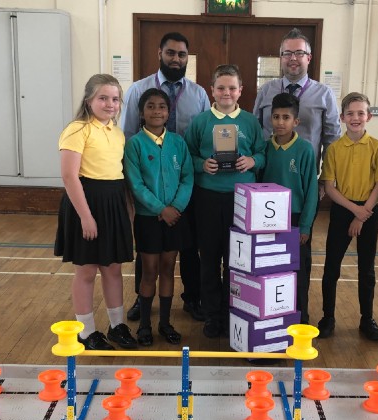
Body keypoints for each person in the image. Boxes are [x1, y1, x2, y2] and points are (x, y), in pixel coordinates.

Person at [120, 32, 209, 324]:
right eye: (170, 53)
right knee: (146, 256)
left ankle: (192, 298)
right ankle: (141, 301)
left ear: (187, 58)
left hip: (185, 186)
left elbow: (205, 138)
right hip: (148, 187)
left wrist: (178, 204)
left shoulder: (198, 94)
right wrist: (155, 204)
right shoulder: (138, 89)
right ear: (160, 53)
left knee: (187, 248)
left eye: (182, 54)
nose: (176, 59)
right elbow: (129, 135)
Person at [54, 74, 137, 351]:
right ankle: (86, 332)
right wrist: (86, 216)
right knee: (87, 270)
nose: (110, 104)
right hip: (86, 203)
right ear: (89, 100)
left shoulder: (117, 132)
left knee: (113, 268)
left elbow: (118, 174)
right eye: (103, 98)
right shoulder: (77, 130)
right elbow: (69, 176)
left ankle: (116, 326)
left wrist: (127, 208)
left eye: (115, 99)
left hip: (113, 203)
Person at [184, 64, 266, 338]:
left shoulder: (250, 122)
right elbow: (189, 156)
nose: (226, 92)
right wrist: (201, 164)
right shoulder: (201, 122)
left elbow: (263, 153)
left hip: (242, 199)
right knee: (209, 258)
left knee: (237, 261)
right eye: (221, 87)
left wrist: (252, 160)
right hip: (207, 198)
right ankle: (212, 315)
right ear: (212, 91)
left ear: (241, 91)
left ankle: (235, 311)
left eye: (232, 88)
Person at [124, 88, 194, 346]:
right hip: (148, 219)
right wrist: (159, 209)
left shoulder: (178, 142)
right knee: (149, 271)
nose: (157, 111)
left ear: (168, 112)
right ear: (142, 113)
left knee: (168, 269)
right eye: (151, 106)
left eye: (162, 106)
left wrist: (175, 207)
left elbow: (188, 177)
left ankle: (164, 324)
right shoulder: (134, 145)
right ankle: (144, 325)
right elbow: (136, 184)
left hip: (175, 217)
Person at [317, 92, 378, 341]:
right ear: (342, 117)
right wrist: (353, 211)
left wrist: (362, 213)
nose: (356, 117)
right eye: (350, 113)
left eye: (361, 113)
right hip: (342, 210)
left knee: (366, 270)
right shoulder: (334, 149)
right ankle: (328, 317)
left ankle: (366, 319)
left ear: (368, 116)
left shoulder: (377, 147)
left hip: (367, 212)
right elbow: (330, 186)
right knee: (331, 267)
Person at [260, 93, 318, 324]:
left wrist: (305, 226)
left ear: (296, 122)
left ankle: (301, 320)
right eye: (276, 117)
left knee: (298, 274)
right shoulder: (264, 149)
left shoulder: (305, 150)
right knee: (271, 272)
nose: (280, 122)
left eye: (286, 117)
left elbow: (312, 192)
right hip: (266, 220)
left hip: (295, 220)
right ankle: (274, 317)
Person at [253, 28, 341, 177]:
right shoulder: (266, 90)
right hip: (267, 174)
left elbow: (332, 140)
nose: (293, 58)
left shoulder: (324, 94)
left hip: (305, 176)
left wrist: (326, 178)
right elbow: (254, 132)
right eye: (287, 53)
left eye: (299, 53)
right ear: (281, 58)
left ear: (309, 58)